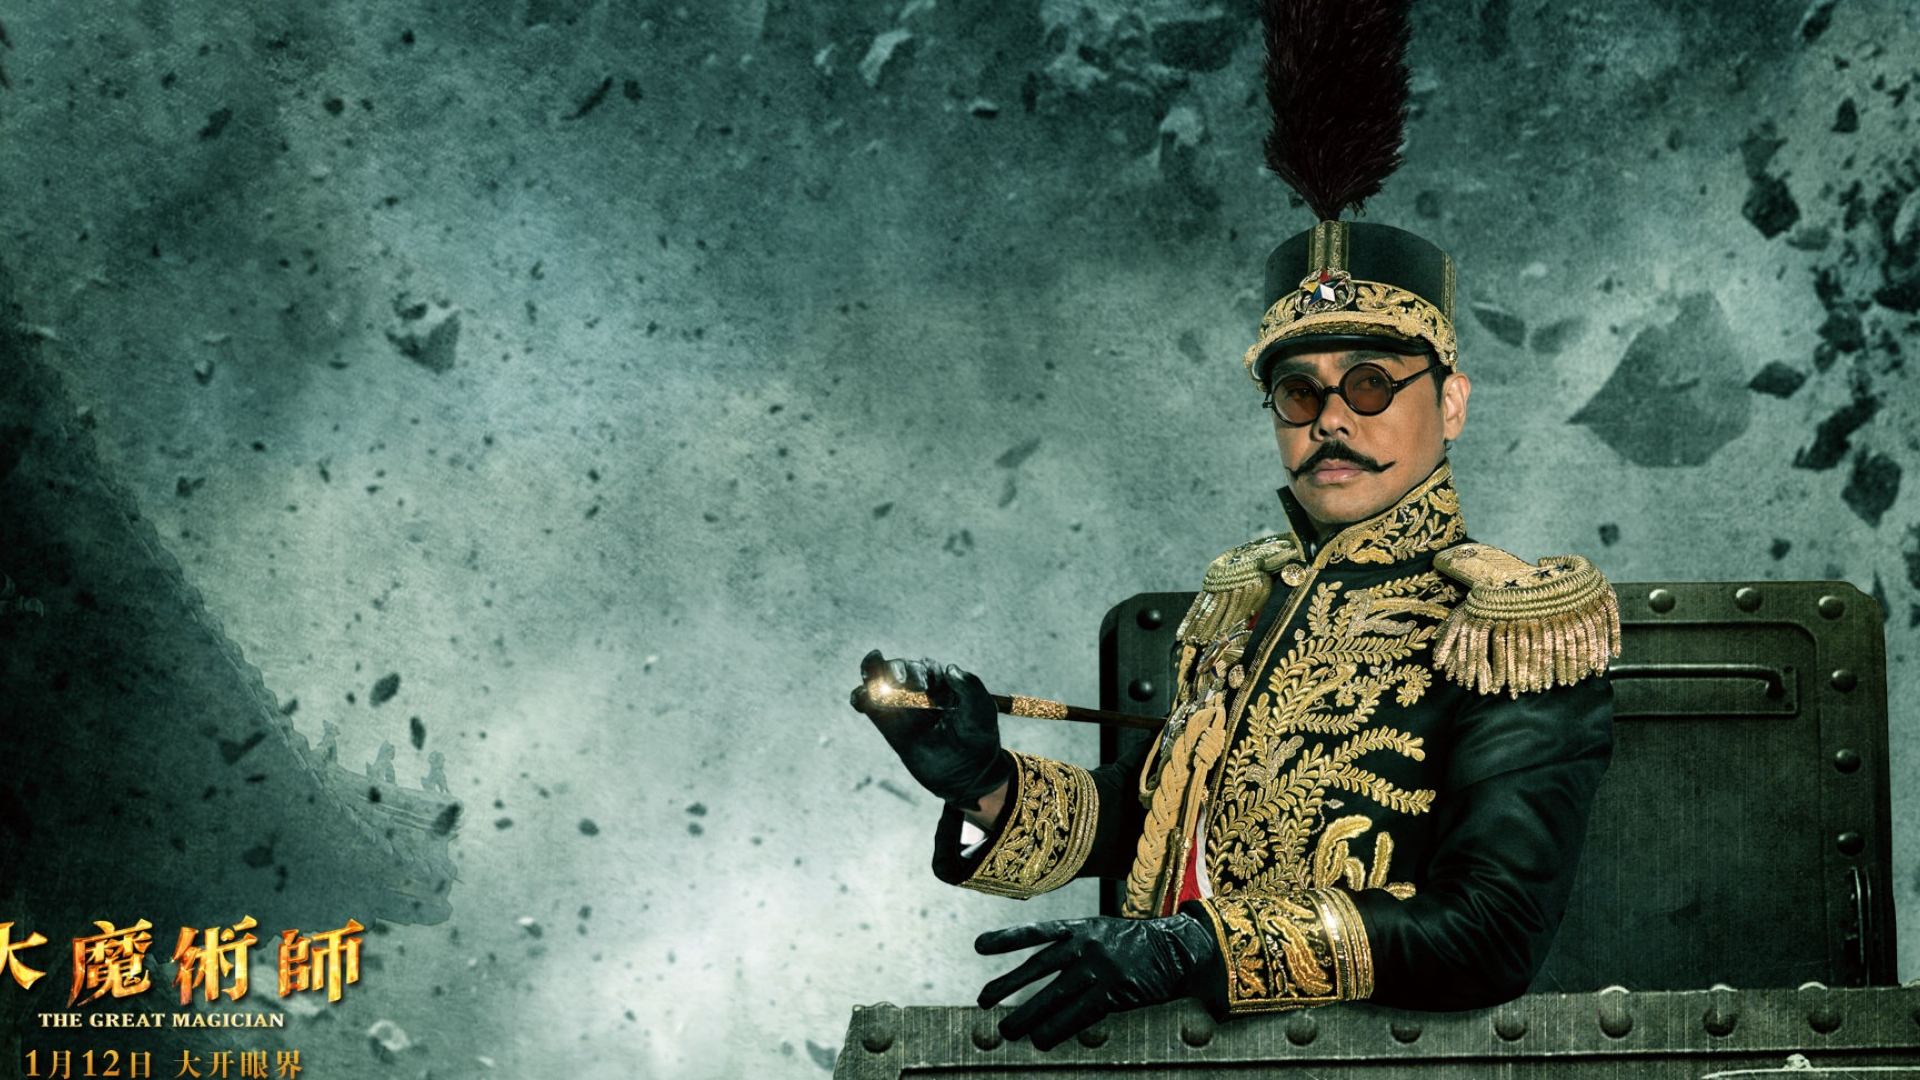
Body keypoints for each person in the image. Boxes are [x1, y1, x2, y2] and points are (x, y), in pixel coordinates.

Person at [849, 0, 1619, 1052]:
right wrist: (985, 781)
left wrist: (1196, 947)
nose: (1331, 420)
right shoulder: (1249, 599)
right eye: (1299, 393)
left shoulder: (1512, 630)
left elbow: (1490, 932)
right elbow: (1164, 825)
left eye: (1369, 383)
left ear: (1450, 403)